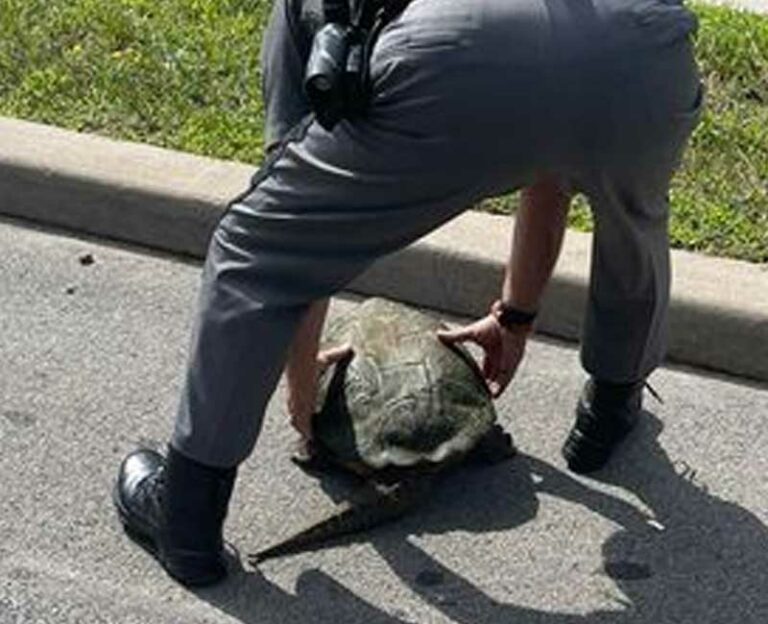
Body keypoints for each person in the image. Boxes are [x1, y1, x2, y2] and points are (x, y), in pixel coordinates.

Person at [113, 0, 703, 587]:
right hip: (646, 51)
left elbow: (304, 238)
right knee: (635, 219)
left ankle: (185, 522)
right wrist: (514, 315)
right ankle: (609, 410)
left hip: (462, 51)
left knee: (256, 250)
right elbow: (550, 147)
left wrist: (302, 394)